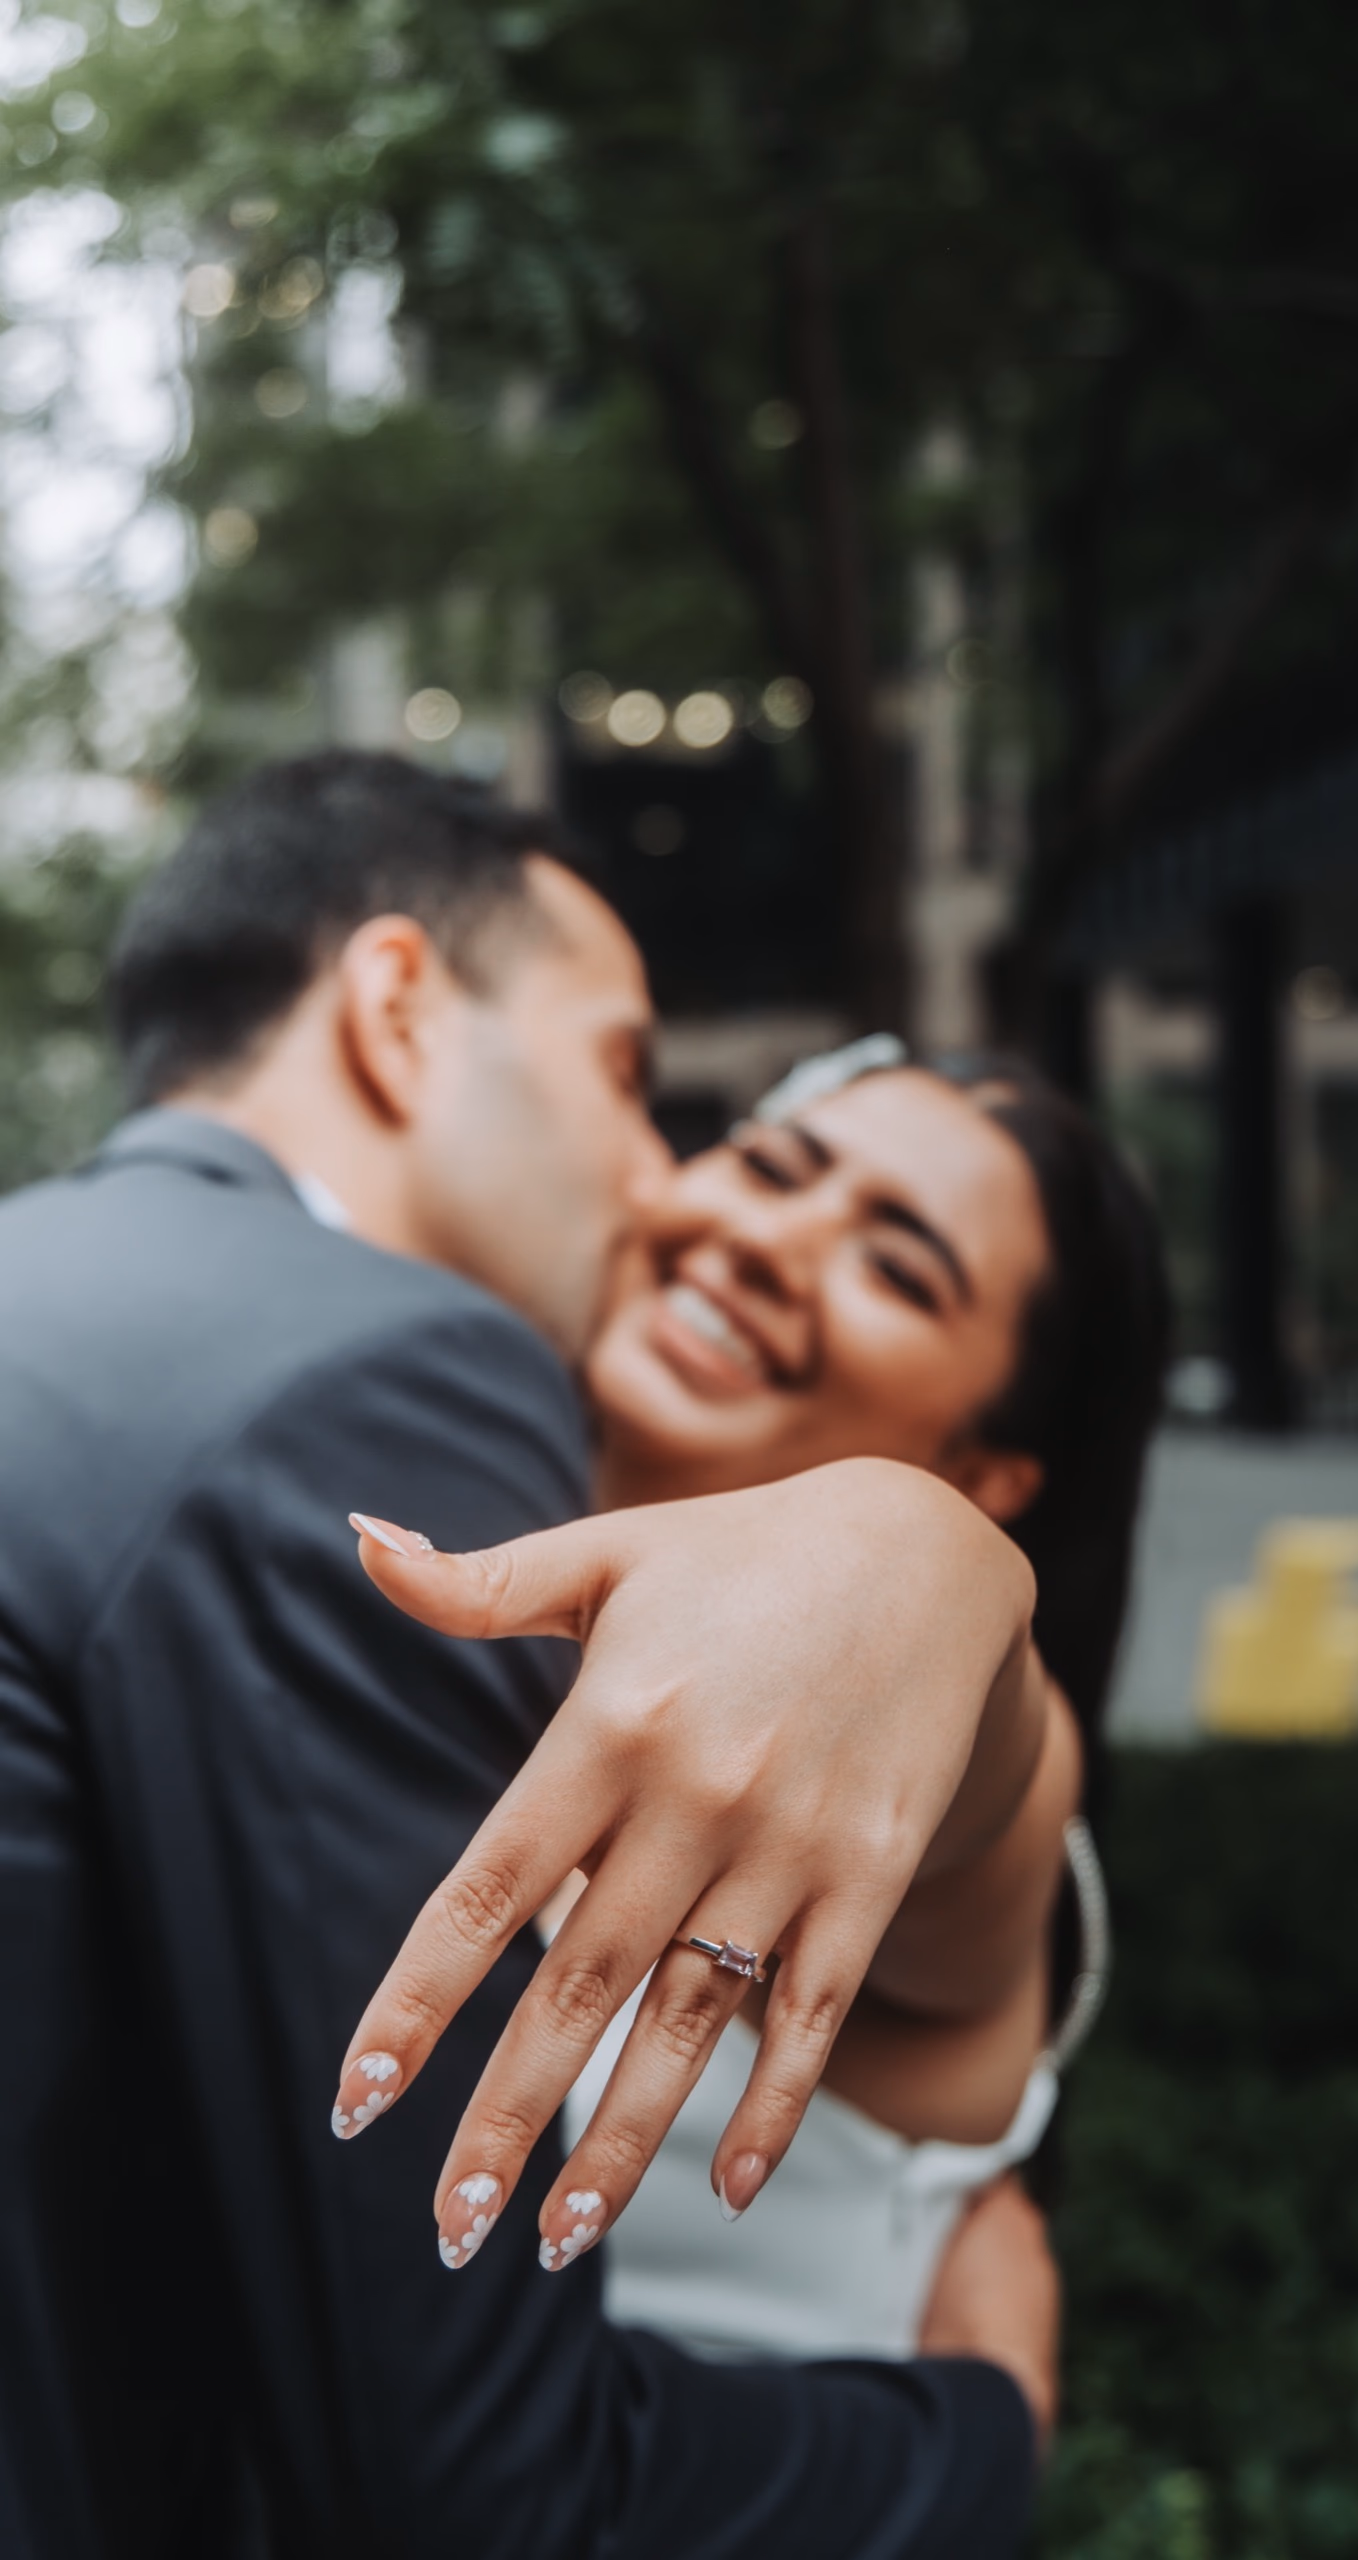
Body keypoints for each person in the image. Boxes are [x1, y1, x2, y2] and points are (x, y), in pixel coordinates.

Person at [0, 749, 1049, 2560]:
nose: (661, 1190)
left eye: (895, 1258)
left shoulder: (63, 1282)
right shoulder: (373, 1362)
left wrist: (948, 1569)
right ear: (398, 1008)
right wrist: (983, 2426)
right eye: (630, 1079)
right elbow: (486, 2501)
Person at [560, 1041, 1164, 2360]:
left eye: (899, 1267)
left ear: (992, 1472)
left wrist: (921, 1553)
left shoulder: (955, 1798)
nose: (772, 1243)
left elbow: (997, 1768)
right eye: (773, 1167)